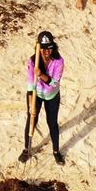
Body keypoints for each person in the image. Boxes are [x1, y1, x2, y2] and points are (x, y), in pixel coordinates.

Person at [24, 31, 65, 164]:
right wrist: (31, 105)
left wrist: (41, 74)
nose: (46, 51)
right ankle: (26, 149)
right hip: (37, 94)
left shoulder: (59, 61)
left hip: (52, 95)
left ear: (53, 47)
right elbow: (31, 84)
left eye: (49, 48)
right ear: (38, 48)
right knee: (31, 120)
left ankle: (56, 151)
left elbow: (54, 83)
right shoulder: (33, 61)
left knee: (52, 123)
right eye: (43, 48)